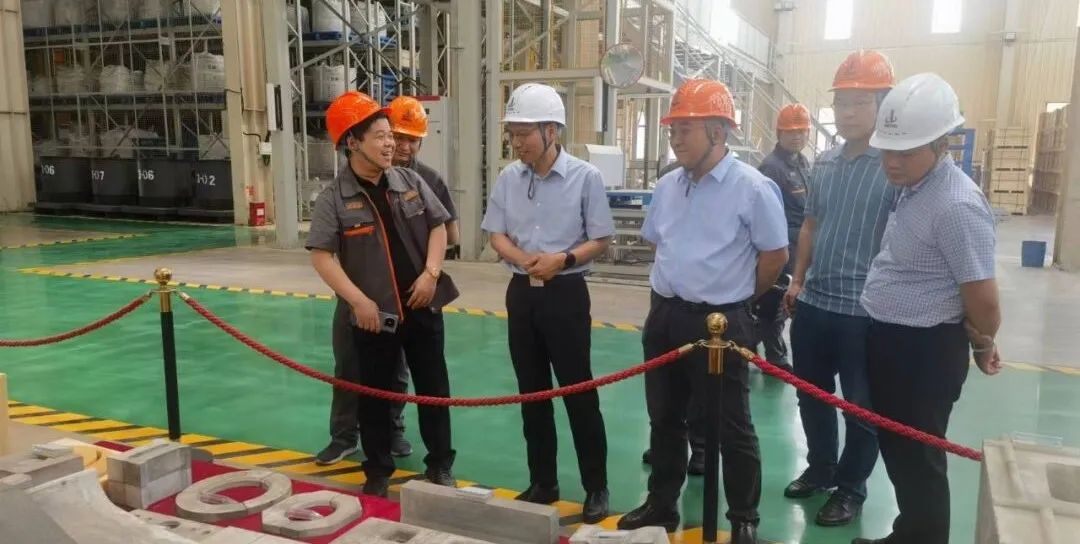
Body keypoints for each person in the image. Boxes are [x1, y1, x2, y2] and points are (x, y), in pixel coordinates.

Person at [617, 79, 789, 544]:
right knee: (664, 417)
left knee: (732, 425)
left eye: (684, 130)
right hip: (665, 316)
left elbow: (775, 256)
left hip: (721, 323)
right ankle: (661, 504)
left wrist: (735, 297)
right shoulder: (668, 185)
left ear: (717, 131)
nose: (675, 139)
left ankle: (744, 518)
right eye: (672, 130)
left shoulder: (753, 188)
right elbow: (658, 243)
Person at [853, 73, 1001, 544]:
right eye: (887, 151)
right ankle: (910, 531)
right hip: (892, 340)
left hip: (923, 352)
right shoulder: (916, 186)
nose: (892, 162)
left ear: (941, 144)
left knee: (919, 457)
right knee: (899, 451)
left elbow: (984, 300)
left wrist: (983, 342)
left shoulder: (957, 205)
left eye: (906, 152)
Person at [306, 90, 458, 497]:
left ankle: (440, 464)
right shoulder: (334, 199)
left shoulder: (410, 181)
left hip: (422, 306)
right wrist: (358, 302)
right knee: (373, 395)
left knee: (434, 390)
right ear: (352, 142)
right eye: (380, 136)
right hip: (375, 316)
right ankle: (377, 471)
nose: (391, 143)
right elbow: (322, 256)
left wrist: (431, 274)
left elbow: (439, 227)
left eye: (391, 135)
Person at [480, 82, 613, 524]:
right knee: (532, 392)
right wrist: (524, 260)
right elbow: (496, 234)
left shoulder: (585, 177)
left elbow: (601, 239)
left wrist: (563, 259)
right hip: (523, 293)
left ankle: (596, 486)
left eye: (524, 134)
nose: (517, 143)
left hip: (566, 294)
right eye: (512, 134)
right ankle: (543, 482)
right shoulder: (508, 178)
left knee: (578, 392)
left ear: (551, 131)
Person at [781, 49, 897, 526]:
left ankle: (851, 489)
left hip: (864, 311)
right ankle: (821, 468)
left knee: (861, 408)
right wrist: (798, 280)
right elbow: (810, 225)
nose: (847, 112)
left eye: (859, 102)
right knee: (811, 395)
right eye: (841, 103)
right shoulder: (825, 163)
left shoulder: (894, 166)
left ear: (884, 104)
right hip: (814, 303)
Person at [753, 103, 812, 374]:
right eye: (791, 132)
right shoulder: (772, 168)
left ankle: (762, 353)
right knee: (772, 306)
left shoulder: (802, 163)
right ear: (779, 133)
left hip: (800, 247)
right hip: (780, 248)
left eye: (802, 131)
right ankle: (767, 356)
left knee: (783, 307)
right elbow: (765, 215)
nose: (797, 137)